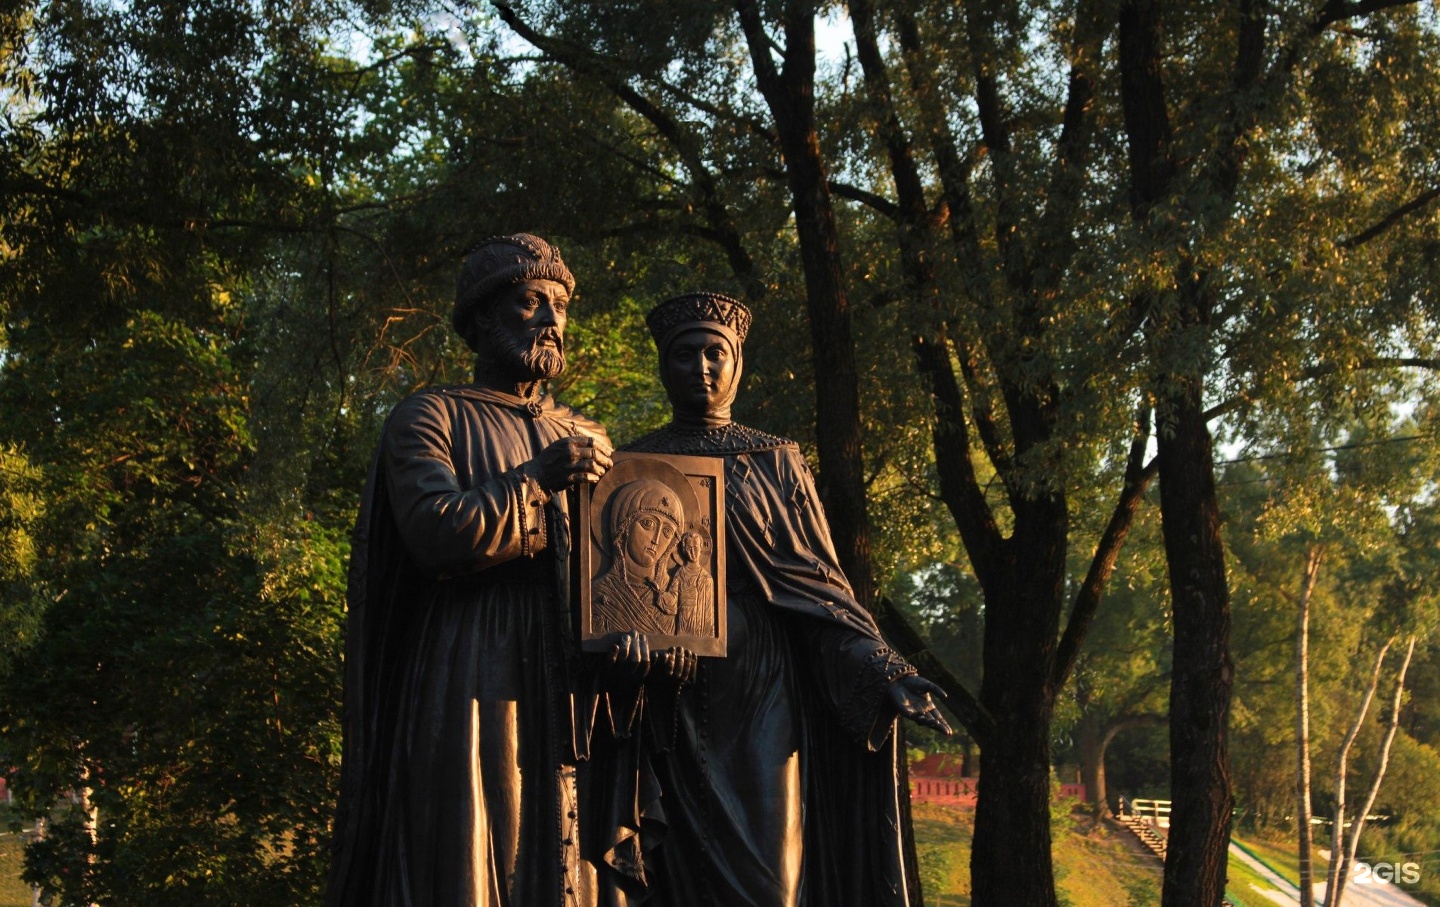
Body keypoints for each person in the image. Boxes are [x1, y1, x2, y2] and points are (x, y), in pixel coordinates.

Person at [588, 292, 951, 907]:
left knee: (771, 881)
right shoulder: (628, 465)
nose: (701, 368)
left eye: (714, 353)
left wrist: (885, 670)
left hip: (761, 698)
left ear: (737, 365)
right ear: (662, 367)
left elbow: (819, 591)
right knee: (671, 873)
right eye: (684, 355)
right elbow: (602, 597)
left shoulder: (775, 461)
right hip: (665, 704)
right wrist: (627, 656)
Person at [327, 233, 616, 907]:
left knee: (569, 855)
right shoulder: (429, 416)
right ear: (483, 318)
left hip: (569, 678)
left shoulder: (591, 437)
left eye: (560, 307)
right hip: (469, 667)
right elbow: (437, 531)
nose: (551, 320)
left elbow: (621, 568)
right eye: (530, 302)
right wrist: (539, 478)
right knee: (471, 853)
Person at [593, 479, 685, 635]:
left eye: (667, 532)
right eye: (648, 523)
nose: (656, 539)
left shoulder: (678, 597)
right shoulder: (597, 593)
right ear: (625, 525)